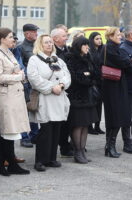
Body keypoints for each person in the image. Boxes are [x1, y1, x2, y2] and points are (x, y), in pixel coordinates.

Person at [0, 28, 30, 176]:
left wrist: (20, 75)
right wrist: (17, 77)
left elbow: (19, 71)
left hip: (15, 95)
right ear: (2, 39)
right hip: (6, 96)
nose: (13, 40)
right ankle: (2, 165)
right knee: (5, 131)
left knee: (11, 131)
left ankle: (11, 163)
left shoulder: (9, 53)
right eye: (11, 37)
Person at [27, 34, 71, 171]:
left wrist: (62, 86)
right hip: (45, 98)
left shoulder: (58, 60)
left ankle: (52, 158)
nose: (49, 45)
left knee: (56, 128)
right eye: (46, 42)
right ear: (40, 44)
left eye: (51, 42)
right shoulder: (34, 60)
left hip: (58, 98)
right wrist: (52, 87)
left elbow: (67, 75)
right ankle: (40, 160)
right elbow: (34, 79)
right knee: (45, 130)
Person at [101, 27, 132, 157]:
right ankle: (110, 147)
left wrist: (128, 61)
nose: (120, 36)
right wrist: (130, 61)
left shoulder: (113, 47)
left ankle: (109, 147)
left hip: (115, 84)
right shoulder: (110, 48)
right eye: (117, 35)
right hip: (112, 86)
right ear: (110, 36)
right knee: (115, 116)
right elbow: (123, 61)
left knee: (116, 116)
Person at [66, 36, 99, 163]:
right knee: (78, 125)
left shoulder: (88, 57)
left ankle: (82, 150)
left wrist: (88, 77)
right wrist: (87, 77)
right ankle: (77, 152)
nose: (87, 47)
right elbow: (75, 78)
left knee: (85, 125)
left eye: (87, 45)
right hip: (77, 97)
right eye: (85, 45)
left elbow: (95, 74)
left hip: (88, 96)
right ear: (78, 46)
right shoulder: (71, 58)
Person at [51, 27, 73, 157]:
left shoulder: (67, 50)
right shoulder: (53, 54)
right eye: (64, 36)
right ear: (56, 39)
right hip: (57, 90)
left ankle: (66, 144)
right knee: (58, 122)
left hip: (68, 87)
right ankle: (62, 146)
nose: (66, 38)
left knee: (67, 121)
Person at [18, 23, 39, 148]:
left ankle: (34, 135)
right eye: (34, 31)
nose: (36, 33)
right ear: (27, 34)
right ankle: (24, 137)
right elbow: (20, 66)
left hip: (37, 82)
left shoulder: (38, 46)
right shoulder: (21, 47)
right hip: (27, 83)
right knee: (25, 110)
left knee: (35, 109)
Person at [88, 32, 105, 135]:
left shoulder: (102, 50)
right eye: (97, 39)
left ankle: (97, 126)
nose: (99, 40)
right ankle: (90, 126)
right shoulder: (89, 51)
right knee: (92, 104)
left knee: (99, 105)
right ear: (92, 40)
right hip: (93, 81)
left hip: (102, 81)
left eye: (100, 38)